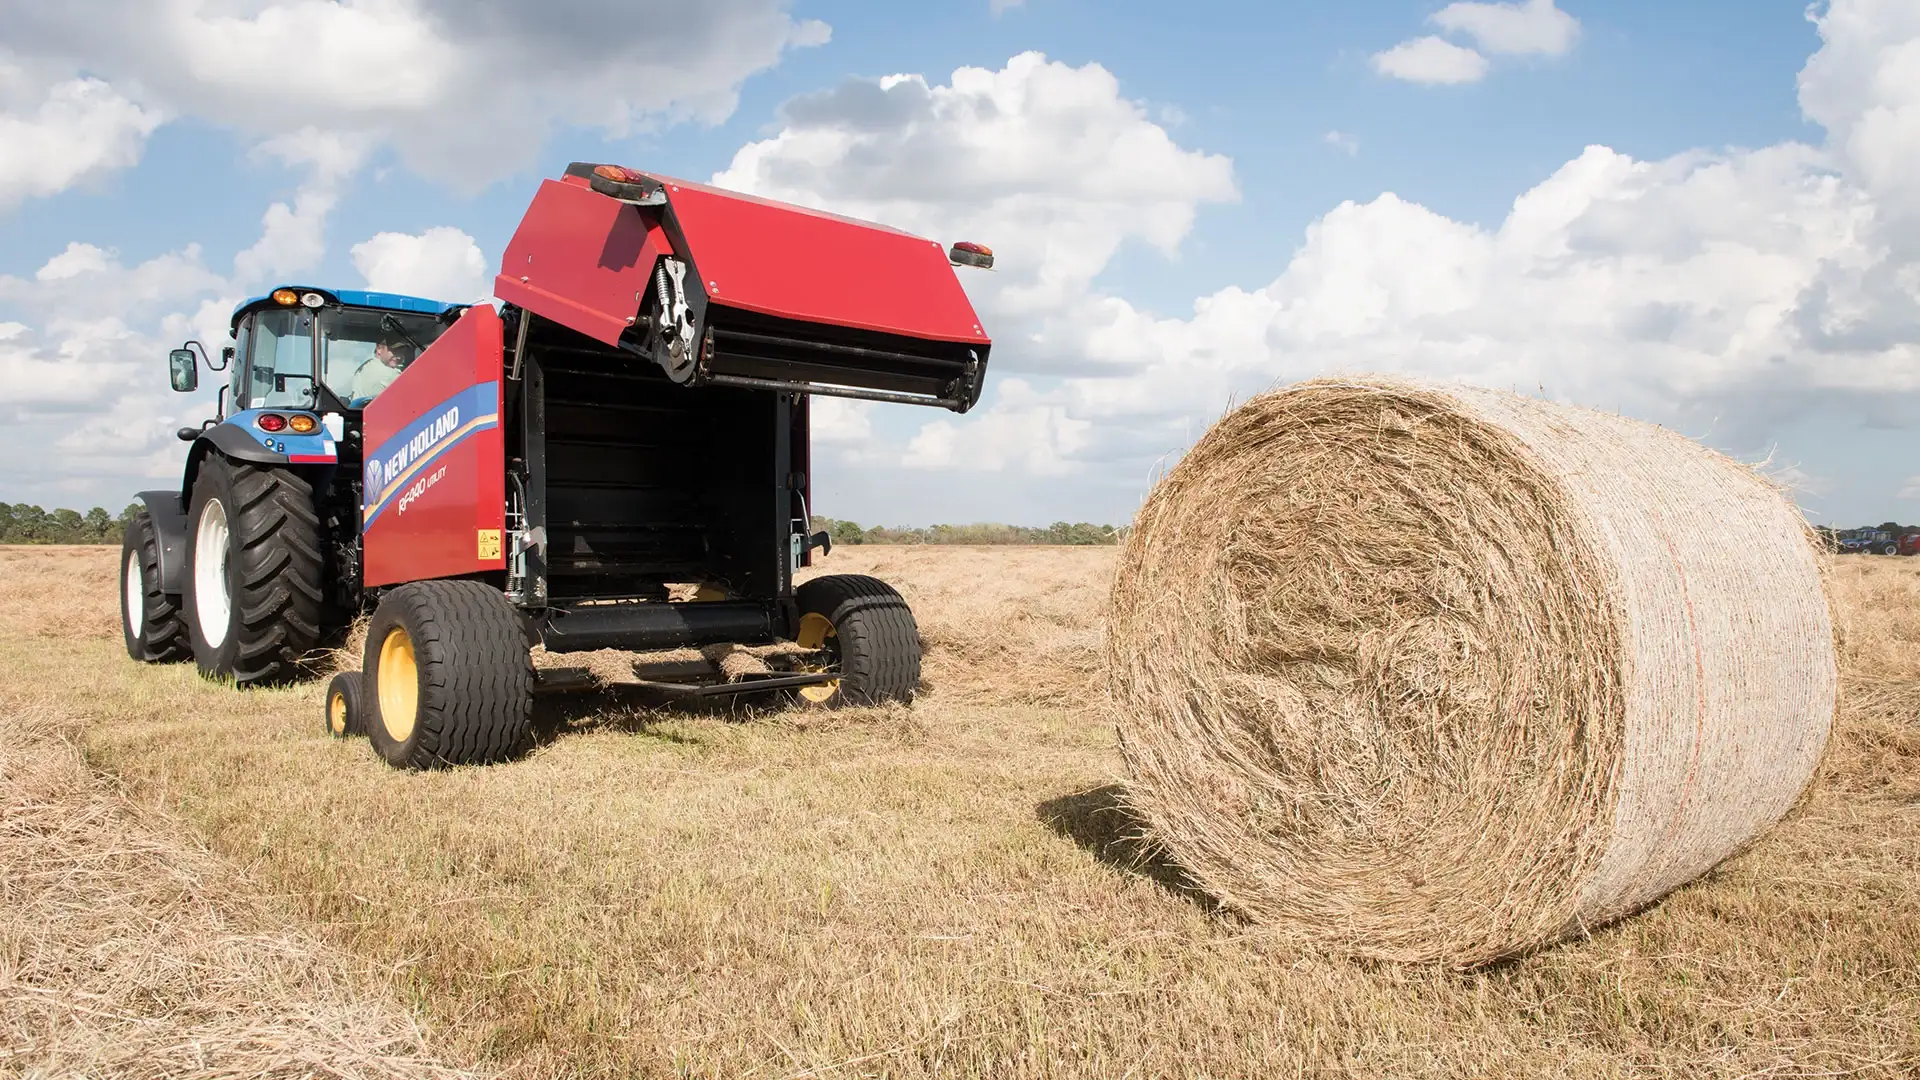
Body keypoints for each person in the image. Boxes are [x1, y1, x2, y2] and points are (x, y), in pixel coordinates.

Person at [346, 337, 413, 405]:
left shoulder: (365, 367)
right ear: (379, 349)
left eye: (402, 352)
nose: (399, 357)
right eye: (395, 351)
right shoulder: (389, 374)